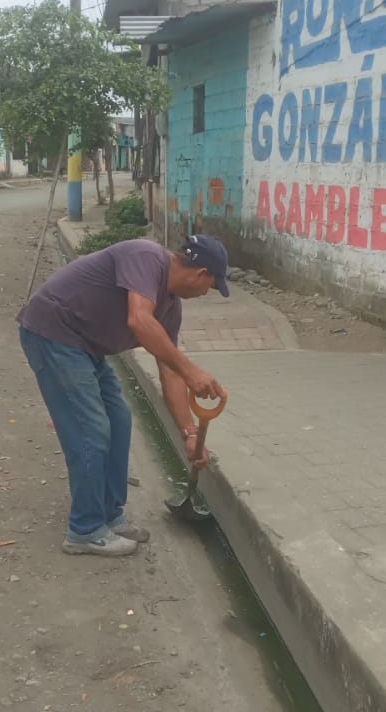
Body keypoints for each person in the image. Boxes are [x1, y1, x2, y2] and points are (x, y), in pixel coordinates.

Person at [17, 234, 229, 557]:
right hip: (54, 332)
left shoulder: (171, 308)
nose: (204, 294)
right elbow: (139, 319)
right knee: (91, 430)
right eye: (210, 287)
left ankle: (109, 515)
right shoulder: (146, 257)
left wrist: (189, 433)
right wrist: (192, 371)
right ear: (201, 274)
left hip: (86, 346)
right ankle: (85, 529)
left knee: (119, 419)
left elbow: (169, 371)